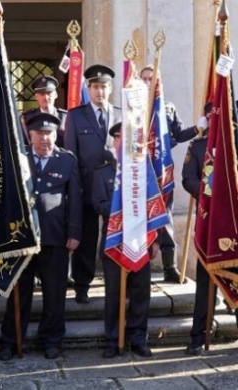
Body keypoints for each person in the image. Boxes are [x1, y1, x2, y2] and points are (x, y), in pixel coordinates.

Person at [0, 113, 82, 361]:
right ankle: (11, 340)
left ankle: (52, 340)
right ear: (30, 135)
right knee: (18, 292)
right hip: (21, 238)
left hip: (55, 237)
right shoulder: (19, 158)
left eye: (49, 134)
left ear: (56, 135)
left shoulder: (67, 160)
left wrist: (74, 232)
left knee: (54, 293)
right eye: (39, 134)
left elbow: (75, 198)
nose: (45, 139)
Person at [92, 123, 158, 359]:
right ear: (114, 142)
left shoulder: (143, 172)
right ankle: (112, 338)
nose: (122, 143)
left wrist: (155, 241)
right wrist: (124, 210)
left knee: (141, 293)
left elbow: (153, 206)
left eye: (126, 138)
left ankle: (138, 337)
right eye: (118, 138)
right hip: (113, 243)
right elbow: (98, 203)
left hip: (140, 242)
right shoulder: (102, 172)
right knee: (114, 294)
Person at [140, 65, 206, 283]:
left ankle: (170, 267)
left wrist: (198, 128)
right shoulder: (134, 106)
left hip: (162, 173)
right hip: (140, 171)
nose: (149, 82)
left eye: (153, 79)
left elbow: (178, 133)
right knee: (140, 218)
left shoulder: (167, 107)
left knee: (165, 218)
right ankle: (139, 268)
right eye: (145, 79)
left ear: (160, 82)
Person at [64, 64, 122, 304]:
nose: (100, 91)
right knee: (86, 238)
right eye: (96, 87)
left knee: (114, 235)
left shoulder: (121, 113)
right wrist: (73, 189)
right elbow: (70, 155)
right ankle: (82, 285)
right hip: (86, 188)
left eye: (104, 87)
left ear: (110, 89)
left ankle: (117, 281)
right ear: (88, 88)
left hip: (114, 189)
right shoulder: (76, 116)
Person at [181, 104, 215, 356]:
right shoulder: (198, 146)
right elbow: (188, 177)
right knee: (204, 282)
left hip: (233, 222)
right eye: (213, 116)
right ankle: (198, 336)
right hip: (208, 220)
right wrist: (205, 194)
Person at [21, 76, 68, 147]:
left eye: (49, 93)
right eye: (42, 94)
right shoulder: (26, 118)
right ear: (36, 96)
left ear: (55, 95)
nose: (46, 97)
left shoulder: (66, 117)